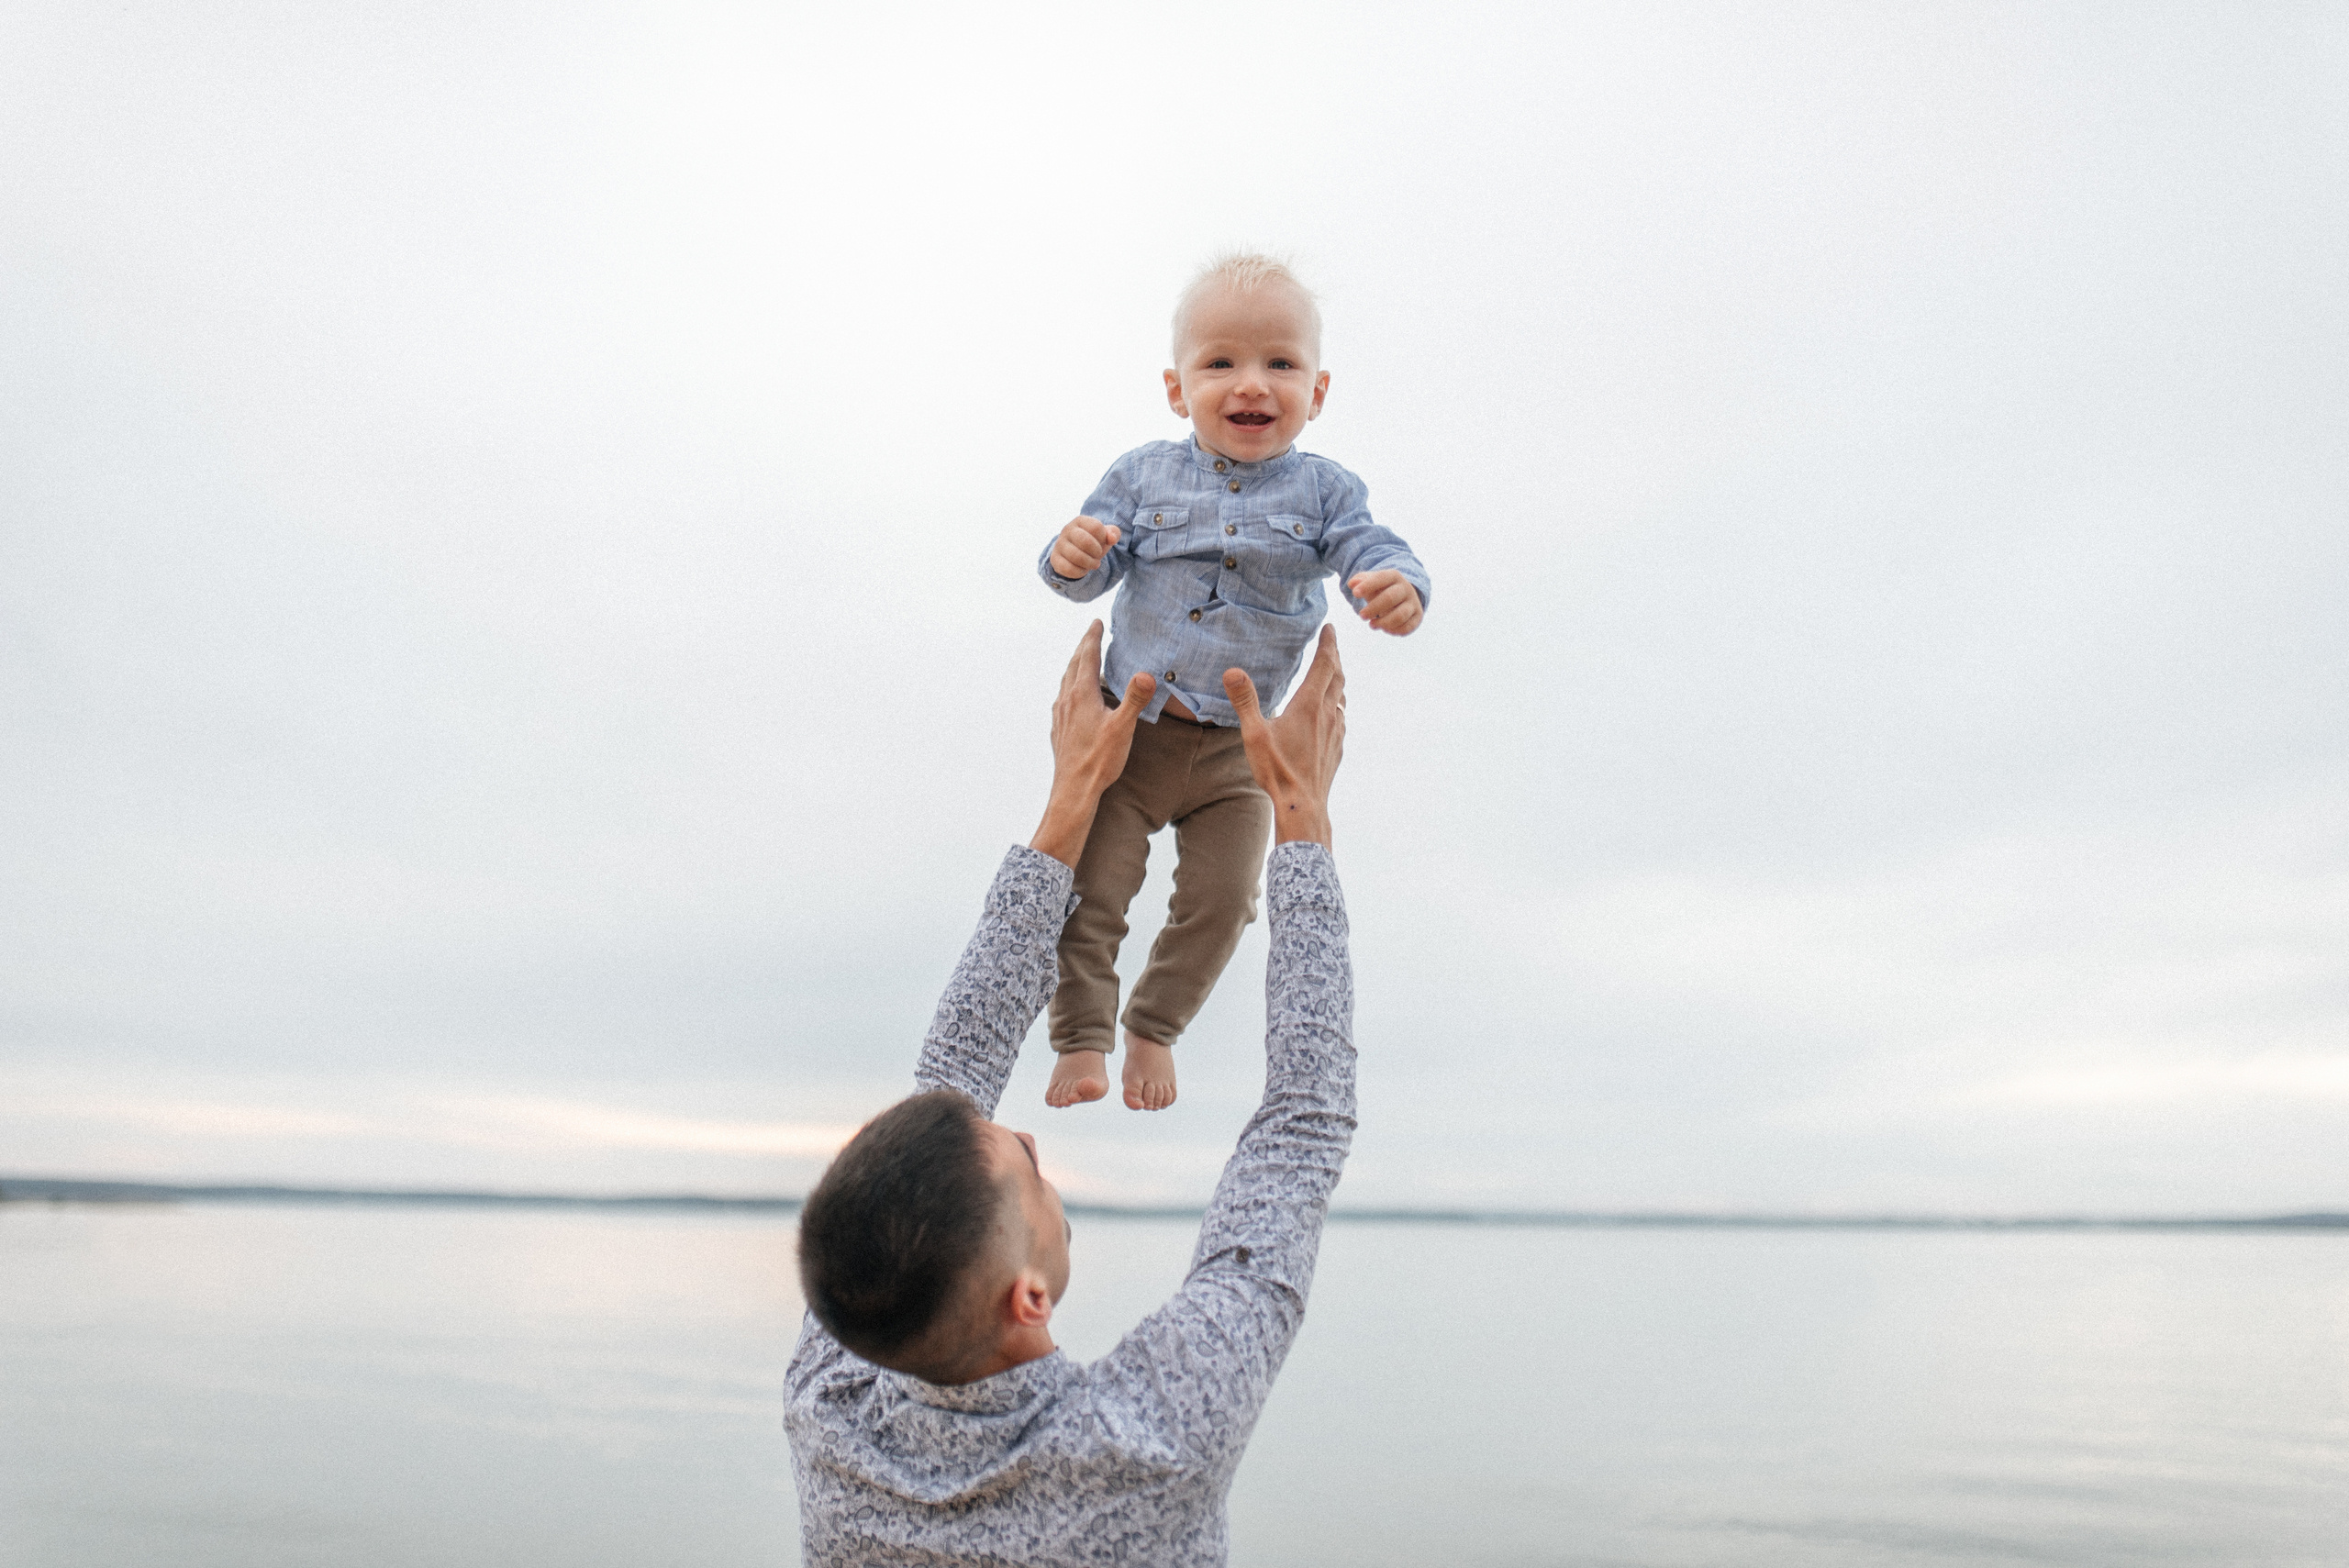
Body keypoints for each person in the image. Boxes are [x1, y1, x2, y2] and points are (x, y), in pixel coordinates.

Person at [786, 619, 1357, 1567]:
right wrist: (1298, 809)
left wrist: (1074, 794)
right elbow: (1299, 1130)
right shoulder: (1152, 1437)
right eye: (1026, 1166)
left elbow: (952, 1072)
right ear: (1028, 1296)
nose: (1029, 1138)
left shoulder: (833, 1397)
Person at [1034, 252, 1429, 1114]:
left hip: (1237, 757)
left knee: (1222, 904)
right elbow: (1081, 570)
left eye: (1280, 363)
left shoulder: (1326, 493)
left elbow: (1374, 549)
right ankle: (1082, 1034)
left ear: (1317, 392)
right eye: (1221, 363)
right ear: (1178, 390)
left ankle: (1154, 1025)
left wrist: (1399, 585)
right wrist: (1070, 557)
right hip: (1131, 735)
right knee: (1092, 891)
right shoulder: (1142, 476)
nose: (1251, 382)